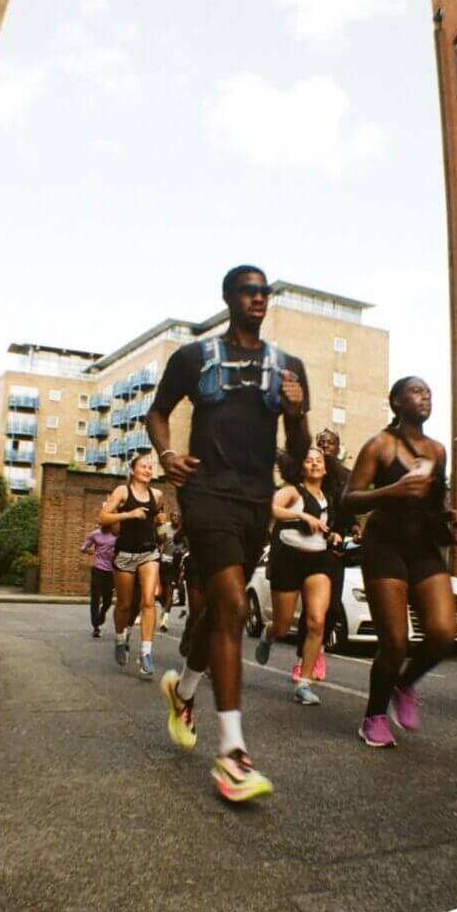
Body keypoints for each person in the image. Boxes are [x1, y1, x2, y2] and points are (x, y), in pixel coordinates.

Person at [146, 263, 310, 803]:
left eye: (265, 291)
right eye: (248, 290)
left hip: (255, 505)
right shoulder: (195, 357)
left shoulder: (288, 368)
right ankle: (232, 754)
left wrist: (296, 414)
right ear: (228, 297)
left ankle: (184, 691)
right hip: (206, 496)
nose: (259, 298)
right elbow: (157, 413)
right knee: (235, 606)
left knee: (220, 611)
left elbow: (297, 458)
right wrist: (167, 455)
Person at [342, 376, 457, 748]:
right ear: (396, 402)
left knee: (443, 632)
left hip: (424, 545)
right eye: (416, 391)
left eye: (429, 392)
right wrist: (392, 490)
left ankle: (405, 683)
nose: (425, 396)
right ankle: (374, 717)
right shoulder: (381, 445)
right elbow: (348, 499)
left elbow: (437, 499)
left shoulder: (438, 450)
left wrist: (449, 514)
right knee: (394, 641)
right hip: (385, 545)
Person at [255, 446, 338, 706]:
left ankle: (304, 683)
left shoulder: (328, 498)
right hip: (288, 560)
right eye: (308, 460)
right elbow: (271, 508)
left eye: (319, 460)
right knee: (282, 624)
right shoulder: (293, 491)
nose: (314, 463)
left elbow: (326, 528)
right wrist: (300, 514)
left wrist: (333, 535)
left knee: (317, 622)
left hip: (318, 561)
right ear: (301, 467)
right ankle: (268, 633)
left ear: (326, 468)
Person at [289, 428, 351, 683]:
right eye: (321, 443)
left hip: (334, 550)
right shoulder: (312, 474)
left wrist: (353, 527)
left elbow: (350, 507)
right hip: (311, 548)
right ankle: (303, 659)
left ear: (337, 447)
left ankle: (319, 649)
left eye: (330, 443)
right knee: (312, 612)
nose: (325, 446)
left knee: (333, 609)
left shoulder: (345, 477)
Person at [99, 453, 164, 679]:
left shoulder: (157, 495)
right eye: (143, 466)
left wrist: (160, 523)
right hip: (125, 554)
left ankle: (146, 653)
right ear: (133, 470)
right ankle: (120, 639)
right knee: (124, 605)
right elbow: (102, 518)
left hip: (149, 553)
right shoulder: (122, 491)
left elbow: (155, 521)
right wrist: (129, 514)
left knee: (148, 601)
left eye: (150, 467)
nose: (148, 470)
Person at [80, 522, 116, 637]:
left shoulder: (116, 535)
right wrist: (89, 551)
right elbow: (83, 548)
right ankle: (96, 627)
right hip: (98, 569)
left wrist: (115, 555)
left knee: (108, 601)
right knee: (95, 598)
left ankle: (102, 613)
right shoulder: (95, 534)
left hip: (111, 571)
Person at [156, 508, 181, 632]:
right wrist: (161, 529)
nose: (176, 518)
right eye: (173, 516)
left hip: (175, 565)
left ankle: (165, 619)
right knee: (162, 593)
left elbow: (187, 546)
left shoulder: (182, 531)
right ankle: (163, 608)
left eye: (178, 516)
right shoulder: (165, 527)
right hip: (163, 562)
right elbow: (158, 540)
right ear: (170, 518)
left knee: (170, 591)